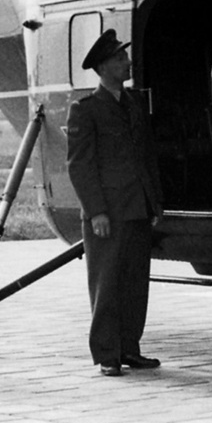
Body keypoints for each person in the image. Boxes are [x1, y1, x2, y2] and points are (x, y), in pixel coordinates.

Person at [65, 30, 163, 377]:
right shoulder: (85, 109)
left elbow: (146, 157)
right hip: (108, 211)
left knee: (135, 282)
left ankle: (130, 349)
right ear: (103, 67)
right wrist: (96, 212)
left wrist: (154, 205)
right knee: (107, 282)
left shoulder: (134, 103)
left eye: (126, 57)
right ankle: (108, 354)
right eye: (120, 58)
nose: (127, 63)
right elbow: (79, 165)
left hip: (137, 207)